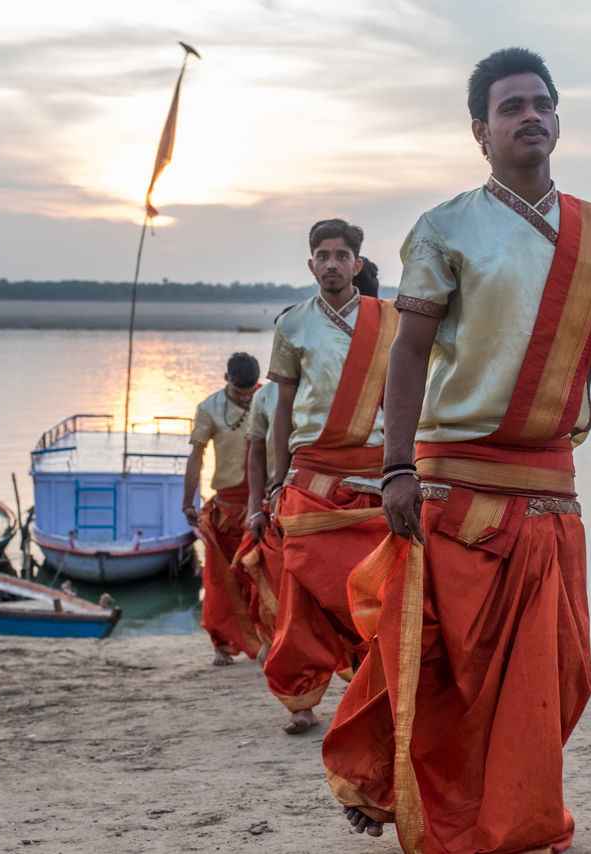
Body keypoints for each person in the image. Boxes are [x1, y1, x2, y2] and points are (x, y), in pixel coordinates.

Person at [320, 48, 591, 854]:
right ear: (480, 131)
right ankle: (397, 787)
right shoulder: (446, 228)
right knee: (440, 662)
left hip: (553, 488)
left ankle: (502, 803)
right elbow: (408, 352)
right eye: (511, 107)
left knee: (557, 673)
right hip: (455, 489)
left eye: (541, 103)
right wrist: (396, 466)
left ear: (559, 119)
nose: (530, 116)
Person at [262, 220, 397, 734]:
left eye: (343, 255)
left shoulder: (392, 320)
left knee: (380, 584)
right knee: (302, 586)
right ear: (311, 264)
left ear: (357, 265)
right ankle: (302, 697)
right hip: (312, 475)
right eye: (324, 255)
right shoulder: (292, 324)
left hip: (378, 473)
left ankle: (375, 676)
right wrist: (278, 479)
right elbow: (283, 409)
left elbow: (411, 396)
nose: (333, 263)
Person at [184, 352, 261, 666]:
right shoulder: (209, 407)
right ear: (226, 379)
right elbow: (196, 456)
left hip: (263, 502)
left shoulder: (269, 398)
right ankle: (222, 644)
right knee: (219, 580)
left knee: (263, 576)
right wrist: (188, 500)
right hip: (227, 507)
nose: (245, 398)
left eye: (249, 391)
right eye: (239, 391)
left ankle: (268, 640)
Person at [232, 378, 284, 658]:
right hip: (274, 501)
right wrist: (254, 508)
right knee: (268, 578)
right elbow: (256, 453)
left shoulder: (335, 377)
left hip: (326, 497)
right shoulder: (266, 396)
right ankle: (271, 640)